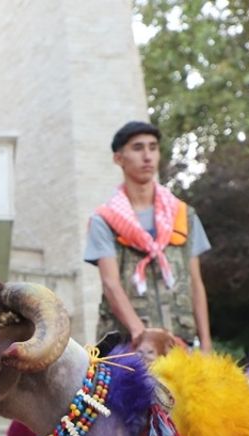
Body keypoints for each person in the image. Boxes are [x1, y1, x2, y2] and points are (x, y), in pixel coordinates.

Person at [84, 121, 212, 351]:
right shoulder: (104, 220)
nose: (147, 156)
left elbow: (195, 282)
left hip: (179, 344)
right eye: (137, 148)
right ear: (118, 159)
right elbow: (110, 283)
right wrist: (140, 334)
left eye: (153, 147)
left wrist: (206, 344)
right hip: (125, 346)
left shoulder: (183, 215)